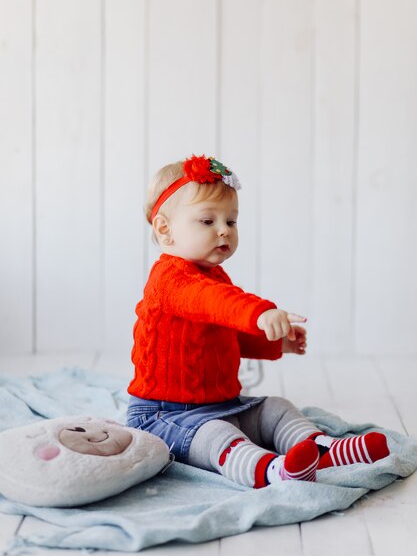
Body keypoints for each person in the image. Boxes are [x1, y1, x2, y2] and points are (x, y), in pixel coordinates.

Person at [126, 154, 389, 488]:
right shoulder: (170, 279)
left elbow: (225, 334)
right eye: (208, 221)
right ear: (165, 229)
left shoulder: (215, 275)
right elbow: (216, 303)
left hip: (223, 403)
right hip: (166, 416)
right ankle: (271, 471)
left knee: (275, 407)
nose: (223, 230)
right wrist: (259, 312)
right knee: (216, 435)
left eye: (231, 222)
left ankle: (320, 449)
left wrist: (273, 341)